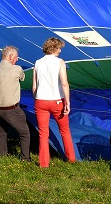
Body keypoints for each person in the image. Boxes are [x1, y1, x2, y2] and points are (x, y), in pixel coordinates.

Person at [32, 37, 75, 168]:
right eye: (59, 48)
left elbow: (34, 86)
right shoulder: (59, 62)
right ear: (54, 48)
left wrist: (37, 99)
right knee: (65, 130)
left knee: (43, 133)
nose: (60, 51)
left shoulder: (37, 63)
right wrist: (67, 102)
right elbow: (64, 83)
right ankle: (71, 159)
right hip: (57, 101)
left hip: (41, 101)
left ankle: (44, 163)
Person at [0, 45, 31, 161]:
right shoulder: (16, 69)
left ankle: (1, 156)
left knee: (0, 134)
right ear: (11, 56)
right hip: (10, 109)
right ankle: (25, 158)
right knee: (24, 133)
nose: (17, 59)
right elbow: (22, 78)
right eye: (16, 57)